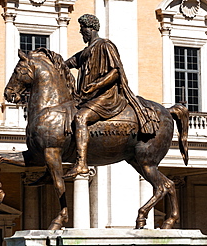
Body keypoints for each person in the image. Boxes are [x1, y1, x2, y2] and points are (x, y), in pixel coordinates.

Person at [63, 14, 159, 178]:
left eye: (82, 28)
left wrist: (97, 85)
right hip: (89, 97)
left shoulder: (105, 45)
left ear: (91, 28)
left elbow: (116, 71)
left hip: (106, 96)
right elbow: (68, 63)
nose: (80, 32)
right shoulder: (87, 51)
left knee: (80, 118)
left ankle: (81, 163)